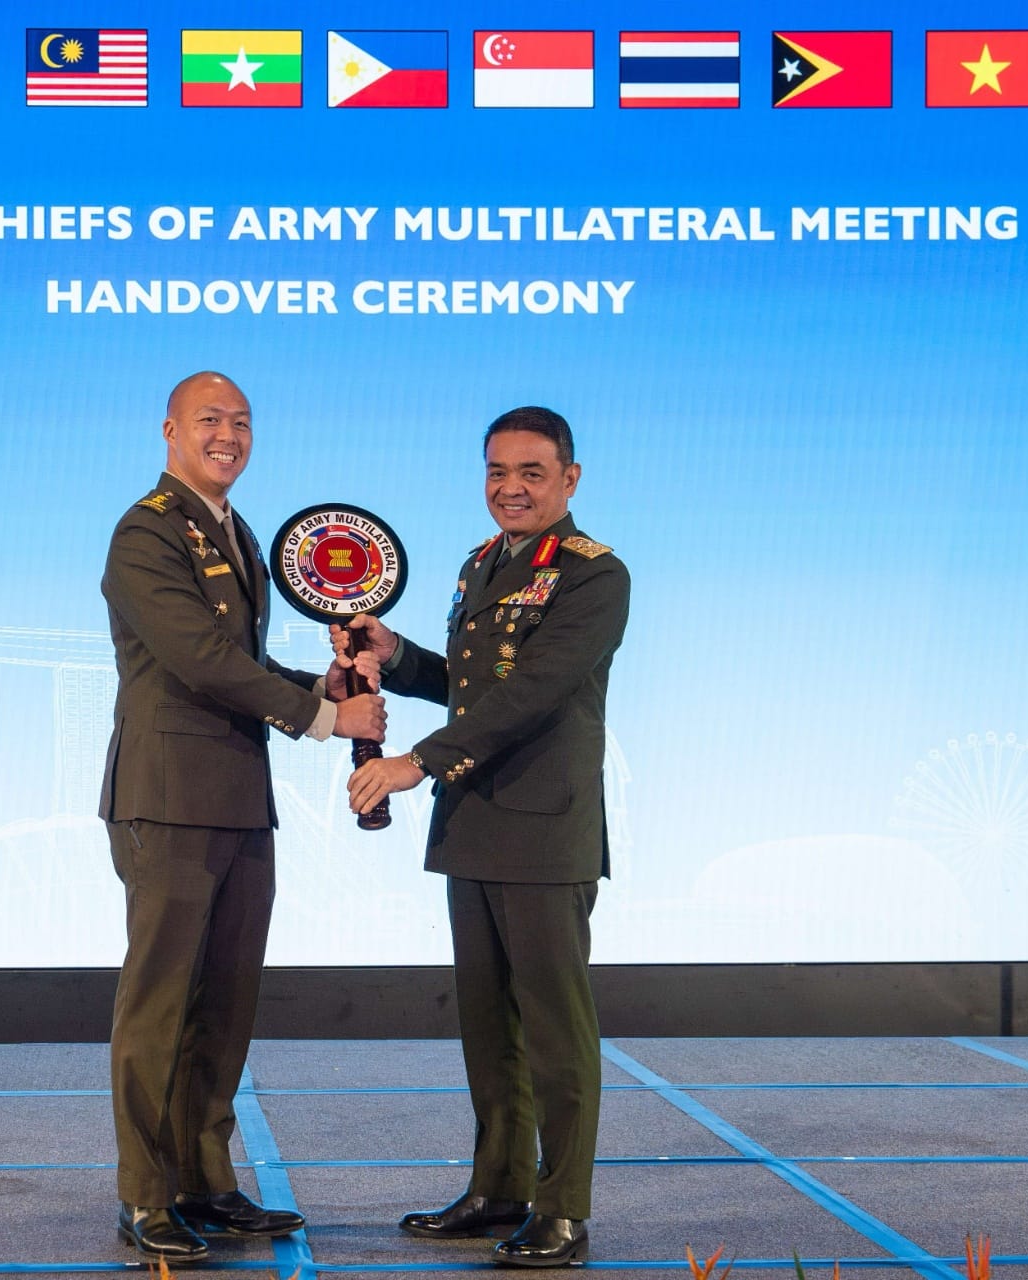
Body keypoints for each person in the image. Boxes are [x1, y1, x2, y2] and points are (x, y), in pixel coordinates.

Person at [100, 371, 387, 1266]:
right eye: (209, 421)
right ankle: (145, 1198)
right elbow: (196, 660)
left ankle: (205, 1183)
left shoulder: (236, 531)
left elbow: (241, 659)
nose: (228, 435)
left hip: (235, 800)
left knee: (222, 1005)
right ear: (170, 430)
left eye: (242, 422)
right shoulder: (146, 531)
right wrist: (323, 716)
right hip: (171, 800)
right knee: (160, 1007)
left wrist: (323, 684)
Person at [336, 406, 630, 1268]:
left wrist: (415, 763)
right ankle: (500, 1187)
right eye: (497, 472)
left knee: (554, 1029)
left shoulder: (593, 576)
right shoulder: (480, 564)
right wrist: (397, 653)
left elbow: (530, 693)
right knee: (487, 1025)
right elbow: (471, 683)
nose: (512, 488)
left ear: (569, 480)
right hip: (475, 825)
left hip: (543, 829)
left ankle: (563, 1207)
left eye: (532, 473)